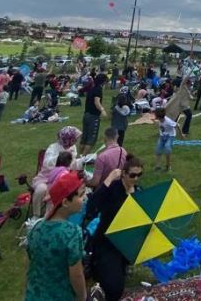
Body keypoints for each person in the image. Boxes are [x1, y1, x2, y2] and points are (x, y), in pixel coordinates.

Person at [25, 170, 87, 301]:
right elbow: (76, 275)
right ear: (65, 202)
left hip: (34, 294)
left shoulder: (36, 228)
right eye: (81, 195)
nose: (84, 198)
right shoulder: (72, 233)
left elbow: (32, 260)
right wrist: (82, 297)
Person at [90, 157, 144, 301]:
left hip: (125, 241)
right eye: (132, 175)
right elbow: (94, 203)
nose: (136, 178)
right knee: (114, 287)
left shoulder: (139, 191)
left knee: (117, 279)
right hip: (107, 240)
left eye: (139, 175)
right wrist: (109, 178)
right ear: (124, 174)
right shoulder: (113, 188)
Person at [32, 126, 84, 216]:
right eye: (74, 139)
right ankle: (36, 215)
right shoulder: (53, 147)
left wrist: (82, 161)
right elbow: (47, 163)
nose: (76, 141)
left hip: (63, 178)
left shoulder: (72, 148)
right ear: (67, 139)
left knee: (65, 191)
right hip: (46, 177)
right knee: (41, 190)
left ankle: (52, 214)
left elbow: (72, 164)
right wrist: (62, 156)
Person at [80, 73, 107, 156]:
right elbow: (97, 102)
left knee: (84, 137)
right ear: (103, 82)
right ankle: (83, 158)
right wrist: (102, 110)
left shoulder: (92, 88)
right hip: (93, 116)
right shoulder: (98, 90)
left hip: (86, 115)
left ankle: (79, 156)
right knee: (91, 139)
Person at [154, 107, 181, 173]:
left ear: (158, 117)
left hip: (170, 136)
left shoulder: (168, 121)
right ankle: (158, 166)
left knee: (167, 148)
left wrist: (181, 135)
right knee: (158, 149)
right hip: (162, 136)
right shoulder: (159, 120)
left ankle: (168, 166)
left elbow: (177, 125)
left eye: (155, 115)